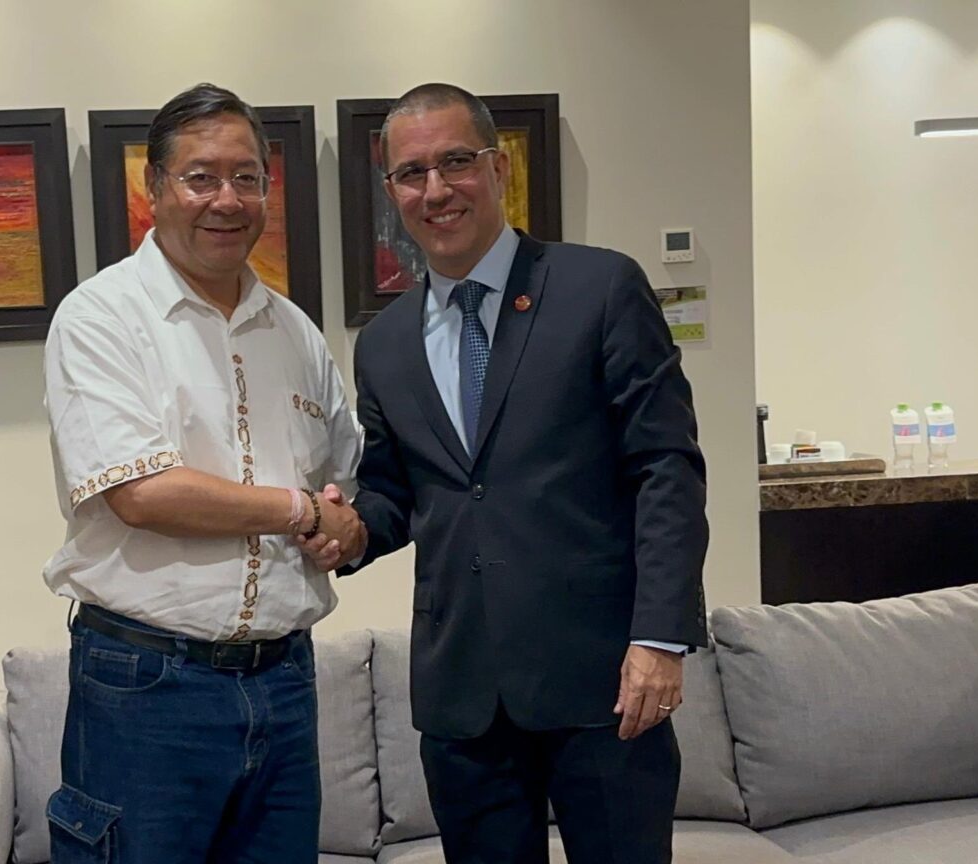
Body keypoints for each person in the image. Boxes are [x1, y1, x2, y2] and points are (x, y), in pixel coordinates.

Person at [312, 83, 709, 864]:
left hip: (606, 684)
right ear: (391, 190)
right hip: (463, 698)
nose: (436, 189)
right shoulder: (384, 343)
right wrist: (347, 529)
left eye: (456, 162)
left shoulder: (599, 288)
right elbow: (400, 494)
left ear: (499, 169)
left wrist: (661, 638)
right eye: (412, 172)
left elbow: (667, 467)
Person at [41, 82, 364, 864]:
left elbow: (344, 481)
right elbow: (142, 495)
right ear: (153, 188)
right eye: (201, 177)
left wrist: (340, 524)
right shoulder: (102, 317)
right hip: (148, 686)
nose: (228, 199)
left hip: (284, 681)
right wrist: (301, 511)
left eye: (248, 177)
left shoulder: (295, 331)